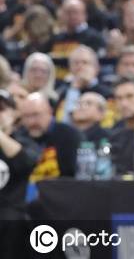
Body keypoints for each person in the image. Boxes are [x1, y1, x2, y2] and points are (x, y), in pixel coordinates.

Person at [0, 89, 39, 257]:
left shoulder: (25, 140)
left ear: (14, 113)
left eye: (1, 109)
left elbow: (27, 163)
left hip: (11, 215)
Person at [18, 91, 80, 180]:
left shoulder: (69, 135)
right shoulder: (18, 136)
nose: (31, 122)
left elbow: (73, 174)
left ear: (50, 112)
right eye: (26, 116)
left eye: (36, 114)